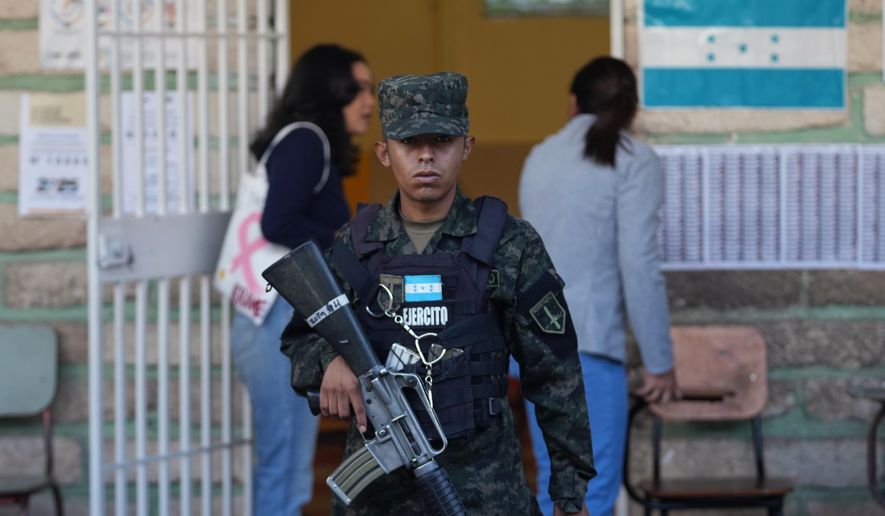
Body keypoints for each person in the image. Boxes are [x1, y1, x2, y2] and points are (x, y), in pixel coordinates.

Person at [280, 72, 595, 515]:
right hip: (378, 496)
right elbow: (299, 337)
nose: (426, 156)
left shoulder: (510, 243)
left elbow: (556, 375)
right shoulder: (355, 245)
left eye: (442, 141)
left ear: (466, 147)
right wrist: (327, 361)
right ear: (384, 152)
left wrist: (569, 491)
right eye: (410, 143)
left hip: (485, 490)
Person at [518, 56, 681, 516]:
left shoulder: (540, 156)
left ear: (573, 103)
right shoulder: (633, 159)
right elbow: (639, 263)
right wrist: (659, 361)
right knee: (594, 494)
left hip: (536, 347)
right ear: (631, 110)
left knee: (558, 489)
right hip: (591, 349)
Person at [230, 43, 374, 516]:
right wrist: (346, 241)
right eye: (359, 89)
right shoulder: (306, 140)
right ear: (330, 91)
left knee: (287, 463)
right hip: (274, 320)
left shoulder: (312, 144)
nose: (369, 102)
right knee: (284, 464)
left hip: (274, 318)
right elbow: (277, 224)